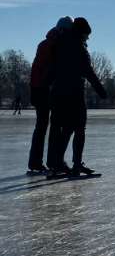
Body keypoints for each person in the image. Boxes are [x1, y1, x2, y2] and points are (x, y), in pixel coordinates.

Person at [49, 17, 107, 177]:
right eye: (87, 35)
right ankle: (76, 165)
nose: (87, 38)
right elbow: (88, 71)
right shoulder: (79, 48)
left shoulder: (59, 45)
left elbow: (51, 70)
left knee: (66, 130)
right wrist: (101, 91)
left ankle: (57, 164)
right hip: (74, 94)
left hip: (58, 93)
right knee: (80, 129)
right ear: (81, 33)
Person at [28, 17, 73, 174]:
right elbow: (47, 70)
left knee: (43, 126)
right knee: (49, 126)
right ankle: (46, 162)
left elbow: (37, 70)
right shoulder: (53, 45)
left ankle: (37, 162)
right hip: (45, 90)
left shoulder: (47, 43)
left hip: (41, 89)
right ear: (62, 30)